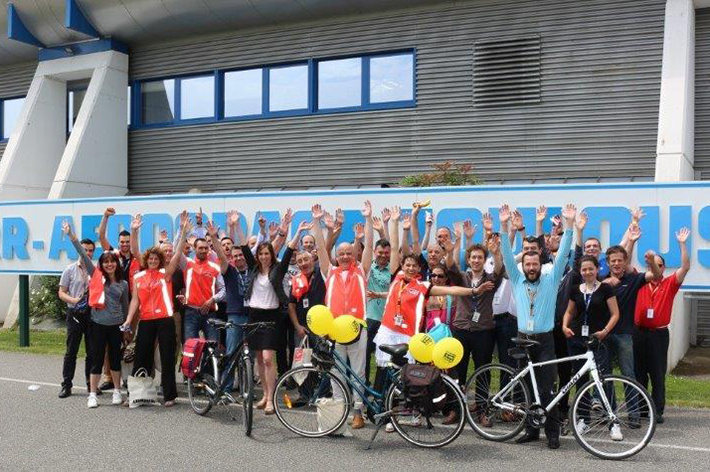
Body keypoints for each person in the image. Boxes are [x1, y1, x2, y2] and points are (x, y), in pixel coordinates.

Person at [499, 203, 576, 450]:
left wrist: (570, 225)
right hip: (522, 338)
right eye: (528, 264)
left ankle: (552, 432)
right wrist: (503, 226)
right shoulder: (518, 277)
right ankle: (531, 429)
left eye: (535, 264)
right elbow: (505, 256)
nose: (531, 268)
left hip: (544, 339)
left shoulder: (551, 278)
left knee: (546, 389)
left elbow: (563, 253)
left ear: (540, 263)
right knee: (526, 389)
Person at [311, 201, 376, 430]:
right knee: (337, 372)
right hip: (334, 331)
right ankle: (339, 411)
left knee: (358, 372)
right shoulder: (330, 272)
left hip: (358, 329)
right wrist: (317, 224)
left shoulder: (361, 271)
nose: (346, 256)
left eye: (349, 253)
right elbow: (320, 248)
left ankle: (358, 412)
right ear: (337, 256)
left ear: (354, 255)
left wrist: (368, 220)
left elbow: (368, 248)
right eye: (342, 253)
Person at [122, 213, 189, 407]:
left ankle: (169, 395)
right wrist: (128, 320)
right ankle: (136, 394)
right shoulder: (139, 277)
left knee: (168, 357)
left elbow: (176, 255)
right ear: (146, 260)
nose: (152, 261)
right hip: (146, 321)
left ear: (159, 260)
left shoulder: (165, 274)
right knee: (141, 356)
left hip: (165, 320)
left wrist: (183, 231)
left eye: (155, 258)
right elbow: (135, 301)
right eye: (149, 258)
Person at [63, 221, 129, 409]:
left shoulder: (123, 285)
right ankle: (92, 394)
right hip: (97, 324)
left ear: (116, 264)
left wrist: (126, 328)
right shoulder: (96, 275)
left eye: (112, 262)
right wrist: (71, 236)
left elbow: (124, 308)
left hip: (115, 326)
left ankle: (117, 391)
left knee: (115, 360)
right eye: (106, 262)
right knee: (96, 359)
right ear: (102, 264)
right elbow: (83, 253)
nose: (109, 264)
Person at [241, 220, 304, 415]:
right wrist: (235, 226)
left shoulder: (279, 268)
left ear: (271, 254)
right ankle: (264, 394)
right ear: (257, 256)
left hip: (271, 316)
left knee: (268, 358)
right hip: (254, 315)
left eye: (267, 253)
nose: (264, 256)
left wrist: (299, 231)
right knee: (259, 358)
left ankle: (271, 399)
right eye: (261, 253)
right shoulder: (253, 268)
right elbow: (244, 247)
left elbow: (289, 250)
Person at [633, 227, 691, 424]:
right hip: (639, 333)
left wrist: (682, 244)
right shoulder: (640, 282)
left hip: (658, 335)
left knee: (657, 373)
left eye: (657, 264)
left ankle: (656, 411)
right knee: (639, 373)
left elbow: (685, 267)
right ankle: (641, 408)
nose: (652, 267)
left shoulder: (669, 284)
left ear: (663, 267)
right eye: (650, 264)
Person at [447, 238, 503, 426]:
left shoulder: (490, 279)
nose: (477, 260)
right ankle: (456, 409)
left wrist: (496, 253)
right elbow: (450, 267)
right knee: (458, 371)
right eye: (473, 257)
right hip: (461, 329)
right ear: (469, 260)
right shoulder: (462, 277)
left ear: (484, 259)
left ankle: (481, 411)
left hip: (483, 331)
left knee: (483, 372)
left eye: (480, 257)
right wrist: (449, 251)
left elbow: (499, 269)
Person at [562, 255, 620, 438]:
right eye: (584, 269)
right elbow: (570, 311)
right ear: (580, 271)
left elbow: (615, 314)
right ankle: (584, 419)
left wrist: (605, 331)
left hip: (598, 340)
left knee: (603, 380)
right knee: (581, 381)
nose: (587, 272)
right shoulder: (575, 289)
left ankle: (613, 422)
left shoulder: (606, 288)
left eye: (591, 269)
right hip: (577, 340)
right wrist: (564, 326)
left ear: (597, 269)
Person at [207, 212, 251, 392]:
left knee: (249, 356)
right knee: (232, 352)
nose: (239, 258)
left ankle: (246, 390)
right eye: (236, 256)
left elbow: (246, 247)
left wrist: (237, 225)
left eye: (241, 255)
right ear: (232, 258)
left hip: (252, 316)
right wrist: (213, 237)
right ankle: (224, 388)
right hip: (234, 316)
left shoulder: (253, 270)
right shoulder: (228, 270)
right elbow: (220, 253)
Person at [57, 237, 95, 399]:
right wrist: (74, 301)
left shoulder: (96, 270)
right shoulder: (70, 270)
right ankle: (66, 385)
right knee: (71, 351)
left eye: (91, 250)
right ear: (80, 251)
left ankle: (90, 385)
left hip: (92, 315)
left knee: (91, 352)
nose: (88, 253)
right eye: (85, 250)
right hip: (75, 315)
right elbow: (61, 292)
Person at [180, 233, 226, 342]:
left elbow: (224, 289)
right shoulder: (187, 263)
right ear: (194, 249)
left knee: (213, 346)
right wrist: (182, 230)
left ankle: (208, 360)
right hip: (191, 311)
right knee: (191, 348)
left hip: (210, 313)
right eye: (200, 248)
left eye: (206, 248)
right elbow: (177, 249)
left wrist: (213, 299)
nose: (203, 250)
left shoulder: (215, 267)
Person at [364, 239, 391, 385]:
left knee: (384, 359)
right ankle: (365, 386)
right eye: (380, 252)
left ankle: (380, 390)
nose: (383, 255)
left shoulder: (394, 270)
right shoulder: (367, 268)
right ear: (374, 251)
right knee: (365, 356)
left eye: (386, 252)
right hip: (369, 317)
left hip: (386, 321)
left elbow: (395, 293)